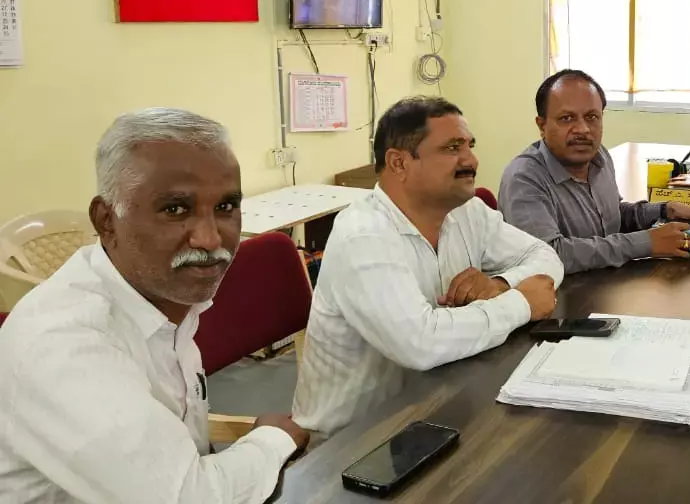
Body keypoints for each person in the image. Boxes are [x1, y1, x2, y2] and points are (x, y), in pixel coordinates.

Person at [0, 108, 308, 504]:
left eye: (225, 207)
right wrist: (273, 439)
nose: (210, 239)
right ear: (107, 221)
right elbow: (189, 499)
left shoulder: (164, 301)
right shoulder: (62, 345)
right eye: (175, 209)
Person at [292, 97, 562, 437]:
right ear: (399, 163)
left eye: (470, 146)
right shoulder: (363, 235)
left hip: (438, 405)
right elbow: (420, 343)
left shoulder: (466, 211)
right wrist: (521, 302)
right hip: (353, 441)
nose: (471, 160)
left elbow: (546, 257)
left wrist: (501, 284)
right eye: (452, 148)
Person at [499, 70, 690, 275]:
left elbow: (611, 216)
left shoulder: (599, 157)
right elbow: (549, 254)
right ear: (542, 126)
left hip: (606, 284)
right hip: (559, 297)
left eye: (591, 117)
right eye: (567, 118)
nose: (583, 129)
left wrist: (663, 210)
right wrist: (645, 243)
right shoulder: (524, 179)